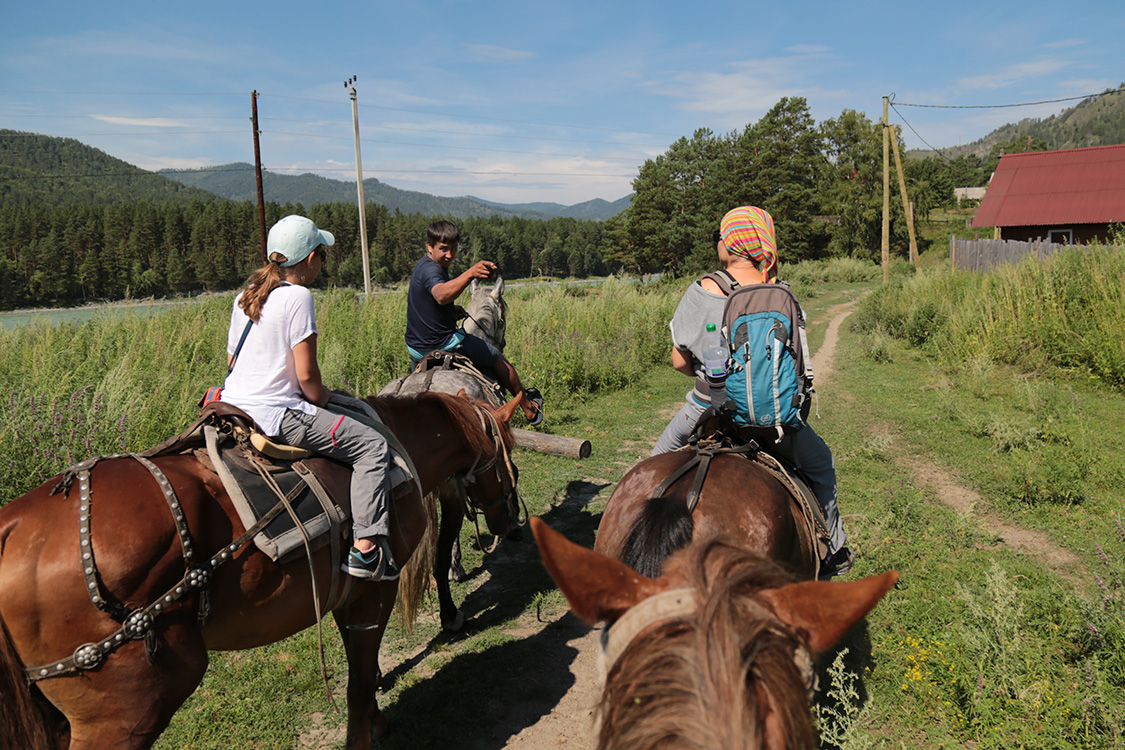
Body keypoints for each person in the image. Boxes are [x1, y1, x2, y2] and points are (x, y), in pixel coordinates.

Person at [651, 205, 853, 577]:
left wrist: (707, 374)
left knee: (653, 465)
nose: (717, 241)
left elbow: (679, 362)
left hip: (707, 408)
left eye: (720, 235)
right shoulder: (779, 291)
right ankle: (833, 552)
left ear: (732, 243)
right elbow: (795, 362)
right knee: (821, 464)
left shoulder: (703, 289)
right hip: (772, 419)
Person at [221, 214, 399, 581]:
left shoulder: (245, 296)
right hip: (277, 413)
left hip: (233, 405)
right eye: (323, 255)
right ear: (311, 258)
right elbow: (307, 379)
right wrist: (324, 395)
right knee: (372, 446)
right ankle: (365, 550)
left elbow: (231, 361)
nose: (322, 262)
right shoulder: (299, 296)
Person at [405, 219, 543, 425]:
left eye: (453, 248)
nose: (449, 254)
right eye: (443, 249)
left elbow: (430, 304)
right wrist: (470, 273)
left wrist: (450, 312)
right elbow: (441, 295)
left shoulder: (424, 265)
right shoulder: (432, 270)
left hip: (416, 349)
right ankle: (528, 408)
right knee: (498, 359)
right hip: (442, 344)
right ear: (429, 246)